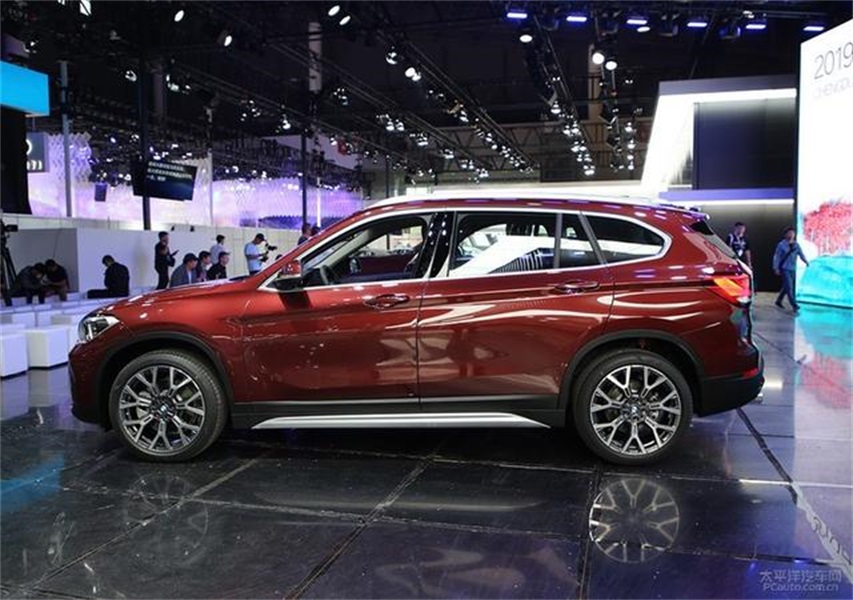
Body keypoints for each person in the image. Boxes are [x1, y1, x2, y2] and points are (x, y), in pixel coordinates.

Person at [773, 227, 809, 312]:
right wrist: (776, 268)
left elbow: (801, 254)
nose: (791, 235)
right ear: (785, 235)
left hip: (792, 268)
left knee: (786, 286)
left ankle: (778, 300)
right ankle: (794, 305)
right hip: (784, 268)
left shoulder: (796, 245)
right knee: (789, 287)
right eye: (789, 233)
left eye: (793, 233)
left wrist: (806, 261)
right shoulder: (781, 245)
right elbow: (777, 257)